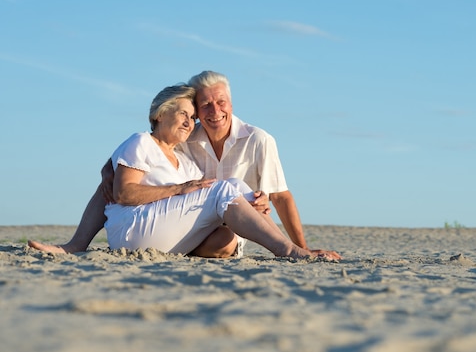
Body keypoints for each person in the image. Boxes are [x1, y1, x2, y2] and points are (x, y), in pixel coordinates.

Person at [29, 71, 338, 259]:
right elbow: (120, 193)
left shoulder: (187, 159)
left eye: (192, 117)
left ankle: (294, 249)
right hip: (133, 231)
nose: (191, 122)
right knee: (227, 186)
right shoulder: (142, 141)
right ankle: (289, 252)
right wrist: (176, 187)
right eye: (186, 114)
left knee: (228, 228)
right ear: (159, 115)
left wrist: (253, 205)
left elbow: (275, 196)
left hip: (166, 238)